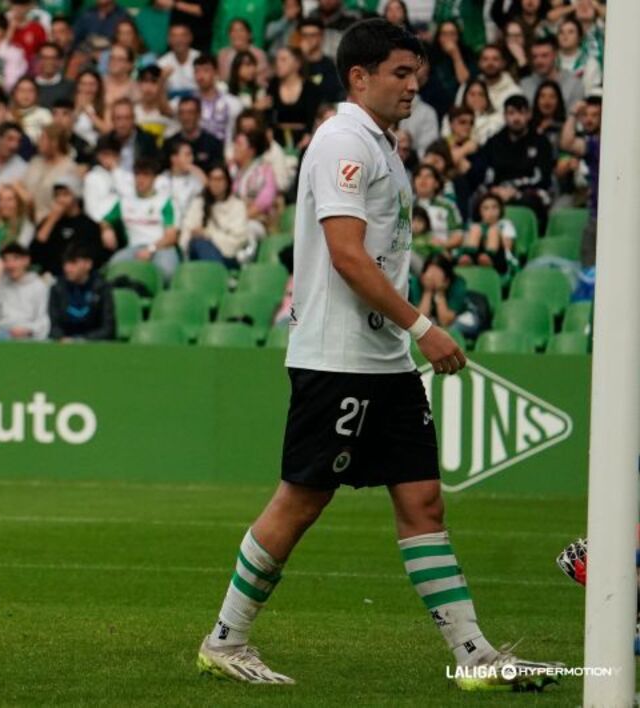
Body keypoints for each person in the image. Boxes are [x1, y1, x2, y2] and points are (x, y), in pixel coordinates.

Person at [195, 19, 561, 690]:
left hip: (382, 357)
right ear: (359, 76)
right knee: (302, 499)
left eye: (416, 73)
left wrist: (406, 334)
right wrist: (425, 325)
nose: (414, 85)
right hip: (339, 356)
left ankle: (474, 656)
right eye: (400, 72)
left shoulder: (380, 144)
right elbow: (346, 253)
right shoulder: (342, 141)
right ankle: (226, 638)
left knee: (423, 501)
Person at [481, 94, 553, 234]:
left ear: (529, 115)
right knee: (479, 199)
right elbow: (487, 173)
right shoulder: (494, 142)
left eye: (521, 113)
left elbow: (543, 177)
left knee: (531, 200)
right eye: (511, 113)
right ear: (505, 116)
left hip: (531, 190)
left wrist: (514, 191)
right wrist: (495, 189)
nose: (516, 118)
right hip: (499, 190)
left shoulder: (540, 142)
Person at [102, 156, 178, 284]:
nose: (140, 180)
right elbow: (105, 220)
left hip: (160, 247)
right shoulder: (125, 202)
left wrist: (151, 249)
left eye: (146, 176)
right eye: (138, 175)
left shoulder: (165, 202)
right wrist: (106, 230)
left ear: (154, 178)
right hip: (134, 248)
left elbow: (171, 236)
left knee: (167, 272)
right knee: (113, 268)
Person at [0, 242, 51, 339]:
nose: (10, 265)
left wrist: (28, 330)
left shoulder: (39, 286)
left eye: (15, 259)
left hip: (29, 336)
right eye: (6, 260)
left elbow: (43, 322)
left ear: (26, 260)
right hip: (1, 334)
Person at [31, 179, 106, 276]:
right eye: (57, 195)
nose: (60, 199)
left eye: (65, 194)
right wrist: (52, 220)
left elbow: (95, 258)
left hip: (79, 276)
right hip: (50, 275)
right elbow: (34, 251)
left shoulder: (89, 225)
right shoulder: (48, 221)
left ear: (76, 196)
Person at [181, 164, 252, 266]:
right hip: (199, 253)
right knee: (200, 243)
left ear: (227, 182)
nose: (216, 183)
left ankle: (218, 274)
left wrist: (209, 234)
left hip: (229, 256)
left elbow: (239, 239)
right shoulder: (198, 203)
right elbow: (187, 232)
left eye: (220, 179)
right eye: (212, 179)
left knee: (204, 243)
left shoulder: (237, 205)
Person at [559, 95, 600, 267]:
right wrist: (573, 114)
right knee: (589, 270)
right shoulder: (591, 144)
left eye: (595, 115)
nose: (589, 120)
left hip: (617, 216)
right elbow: (567, 143)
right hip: (595, 216)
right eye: (586, 115)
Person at [49, 244, 115, 341]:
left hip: (94, 347)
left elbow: (108, 329)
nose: (67, 268)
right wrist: (61, 338)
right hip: (64, 346)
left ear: (88, 264)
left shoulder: (102, 288)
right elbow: (53, 326)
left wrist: (82, 340)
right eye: (66, 263)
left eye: (73, 263)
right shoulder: (57, 289)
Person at [456, 192, 516, 275]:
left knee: (493, 230)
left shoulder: (505, 224)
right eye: (486, 208)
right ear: (480, 211)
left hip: (499, 259)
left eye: (494, 207)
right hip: (476, 256)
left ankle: (488, 257)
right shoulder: (475, 226)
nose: (491, 212)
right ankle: (469, 257)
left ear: (500, 209)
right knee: (475, 229)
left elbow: (508, 248)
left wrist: (494, 235)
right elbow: (464, 243)